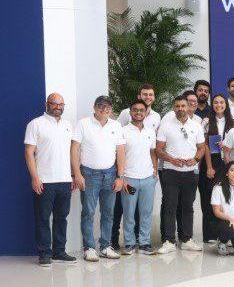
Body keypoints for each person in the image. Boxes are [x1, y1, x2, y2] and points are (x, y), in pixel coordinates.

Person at [25, 93, 78, 266]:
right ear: (47, 104)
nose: (58, 106)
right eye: (55, 103)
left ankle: (59, 251)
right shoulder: (35, 124)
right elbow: (29, 153)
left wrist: (73, 175)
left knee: (61, 217)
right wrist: (35, 178)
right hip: (44, 181)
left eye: (61, 104)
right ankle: (44, 254)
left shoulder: (68, 125)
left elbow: (72, 152)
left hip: (64, 180)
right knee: (43, 218)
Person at [71, 95, 126, 261]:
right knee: (88, 212)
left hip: (110, 174)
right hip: (88, 174)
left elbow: (121, 152)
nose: (105, 109)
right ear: (95, 108)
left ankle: (105, 246)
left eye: (108, 106)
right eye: (101, 106)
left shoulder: (116, 125)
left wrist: (120, 176)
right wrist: (77, 174)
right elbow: (74, 149)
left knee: (108, 213)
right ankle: (89, 248)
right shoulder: (83, 123)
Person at [155, 95, 206, 254]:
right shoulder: (166, 125)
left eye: (183, 106)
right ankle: (169, 241)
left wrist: (196, 159)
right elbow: (158, 149)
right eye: (177, 106)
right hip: (171, 172)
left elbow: (202, 147)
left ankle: (186, 239)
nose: (180, 109)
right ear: (173, 108)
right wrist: (171, 159)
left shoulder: (196, 126)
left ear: (189, 107)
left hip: (190, 173)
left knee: (187, 207)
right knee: (170, 206)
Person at [118, 100, 159, 255]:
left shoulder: (150, 131)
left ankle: (144, 243)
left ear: (146, 112)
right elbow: (119, 155)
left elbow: (153, 152)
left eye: (141, 110)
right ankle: (129, 243)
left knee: (146, 212)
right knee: (129, 213)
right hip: (129, 178)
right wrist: (121, 177)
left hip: (148, 178)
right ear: (130, 112)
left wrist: (155, 171)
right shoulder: (123, 130)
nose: (138, 113)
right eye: (135, 110)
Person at [200, 94, 234, 243]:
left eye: (221, 102)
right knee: (211, 198)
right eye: (215, 102)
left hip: (229, 162)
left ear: (226, 105)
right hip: (213, 163)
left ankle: (229, 232)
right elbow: (205, 146)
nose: (218, 105)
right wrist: (209, 167)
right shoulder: (206, 122)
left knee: (228, 197)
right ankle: (210, 235)